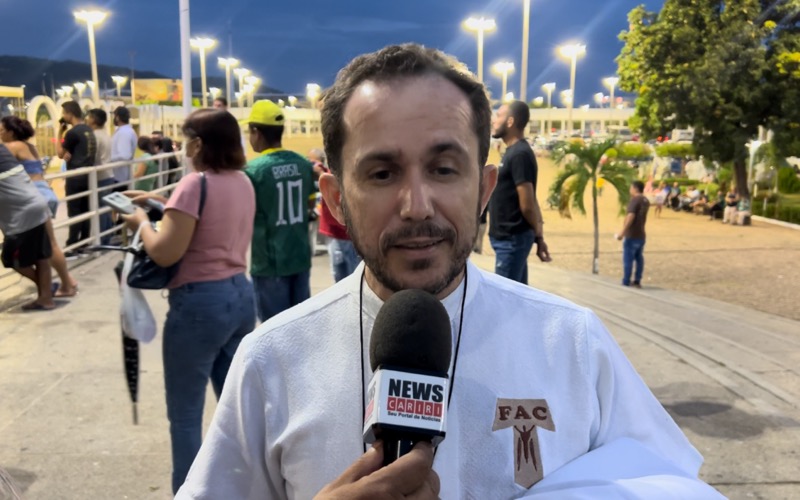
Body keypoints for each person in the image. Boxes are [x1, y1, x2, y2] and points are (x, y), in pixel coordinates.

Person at [178, 44, 719, 499]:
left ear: (484, 190)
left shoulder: (572, 343)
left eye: (443, 168)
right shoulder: (272, 360)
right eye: (383, 172)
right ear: (336, 200)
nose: (417, 205)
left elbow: (665, 481)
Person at [119, 109, 256, 494]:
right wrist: (161, 200)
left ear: (198, 143)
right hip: (239, 298)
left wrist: (140, 223)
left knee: (184, 416)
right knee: (236, 411)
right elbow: (210, 219)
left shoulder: (195, 184)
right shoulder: (242, 181)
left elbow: (164, 252)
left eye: (185, 140)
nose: (181, 147)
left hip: (199, 306)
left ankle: (190, 491)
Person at [243, 100, 315, 322]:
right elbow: (311, 204)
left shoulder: (254, 171)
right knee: (302, 327)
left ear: (256, 132)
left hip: (269, 263)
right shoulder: (303, 164)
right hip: (300, 256)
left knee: (273, 333)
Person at [0, 117, 78, 297]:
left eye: (2, 130)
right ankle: (64, 283)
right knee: (48, 245)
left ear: (11, 132)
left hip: (31, 195)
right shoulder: (30, 147)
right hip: (45, 191)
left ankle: (66, 283)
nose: (0, 134)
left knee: (48, 246)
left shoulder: (11, 148)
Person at [488, 100, 551, 284]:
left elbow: (528, 203)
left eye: (499, 115)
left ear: (510, 122)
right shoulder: (512, 152)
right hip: (508, 241)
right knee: (515, 298)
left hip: (512, 241)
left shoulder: (520, 154)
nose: (494, 120)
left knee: (504, 301)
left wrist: (538, 235)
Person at [0, 144, 54, 310]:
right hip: (37, 205)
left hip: (22, 215)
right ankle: (46, 297)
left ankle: (46, 293)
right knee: (41, 257)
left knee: (11, 259)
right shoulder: (3, 150)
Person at [309, 148, 361, 281]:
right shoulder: (332, 173)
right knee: (339, 274)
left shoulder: (346, 174)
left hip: (347, 235)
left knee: (350, 276)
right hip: (336, 233)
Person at [58, 101, 97, 252]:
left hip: (75, 177)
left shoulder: (72, 133)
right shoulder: (88, 129)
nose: (63, 117)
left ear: (70, 114)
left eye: (64, 114)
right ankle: (84, 241)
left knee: (74, 211)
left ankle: (72, 243)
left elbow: (60, 154)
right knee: (86, 210)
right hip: (88, 176)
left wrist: (59, 132)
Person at [86, 108, 116, 244]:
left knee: (101, 209)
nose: (86, 119)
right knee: (106, 207)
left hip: (100, 176)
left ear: (94, 119)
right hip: (109, 174)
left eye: (89, 116)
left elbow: (93, 156)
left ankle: (102, 240)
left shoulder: (95, 136)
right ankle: (107, 236)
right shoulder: (106, 134)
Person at [616, 180, 650, 288]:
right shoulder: (645, 200)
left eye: (631, 187)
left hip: (632, 234)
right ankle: (637, 280)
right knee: (639, 258)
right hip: (641, 234)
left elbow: (631, 215)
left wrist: (623, 231)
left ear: (635, 188)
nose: (630, 190)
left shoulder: (635, 200)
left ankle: (626, 280)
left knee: (628, 258)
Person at [110, 106, 137, 188]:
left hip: (120, 177)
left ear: (117, 117)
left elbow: (125, 155)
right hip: (121, 175)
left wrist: (109, 159)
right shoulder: (126, 131)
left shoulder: (124, 133)